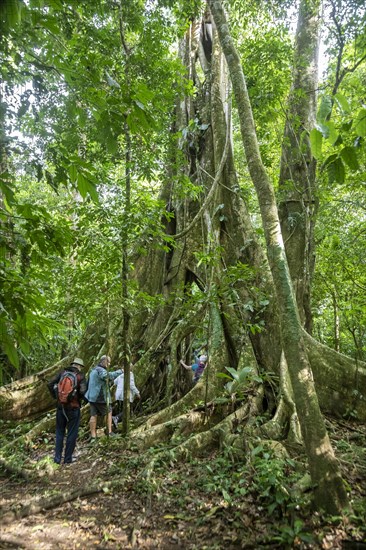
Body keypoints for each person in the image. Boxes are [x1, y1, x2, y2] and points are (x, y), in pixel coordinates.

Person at [47, 357, 87, 465]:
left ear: (72, 364)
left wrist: (57, 396)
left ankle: (57, 459)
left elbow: (50, 383)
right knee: (72, 433)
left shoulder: (62, 373)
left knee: (59, 432)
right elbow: (83, 392)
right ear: (79, 366)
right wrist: (78, 398)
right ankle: (68, 459)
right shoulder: (80, 376)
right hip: (73, 409)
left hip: (60, 407)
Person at [84, 354, 122, 440]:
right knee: (109, 411)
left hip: (91, 397)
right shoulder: (100, 370)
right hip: (99, 397)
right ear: (104, 361)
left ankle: (93, 436)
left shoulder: (93, 370)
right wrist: (121, 371)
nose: (109, 365)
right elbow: (107, 376)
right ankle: (109, 432)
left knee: (93, 415)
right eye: (108, 362)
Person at [112, 365, 141, 429]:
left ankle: (118, 423)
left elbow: (114, 382)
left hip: (119, 395)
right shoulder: (130, 374)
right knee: (127, 410)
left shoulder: (120, 375)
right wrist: (137, 393)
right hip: (126, 395)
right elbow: (131, 385)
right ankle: (116, 418)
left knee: (123, 409)